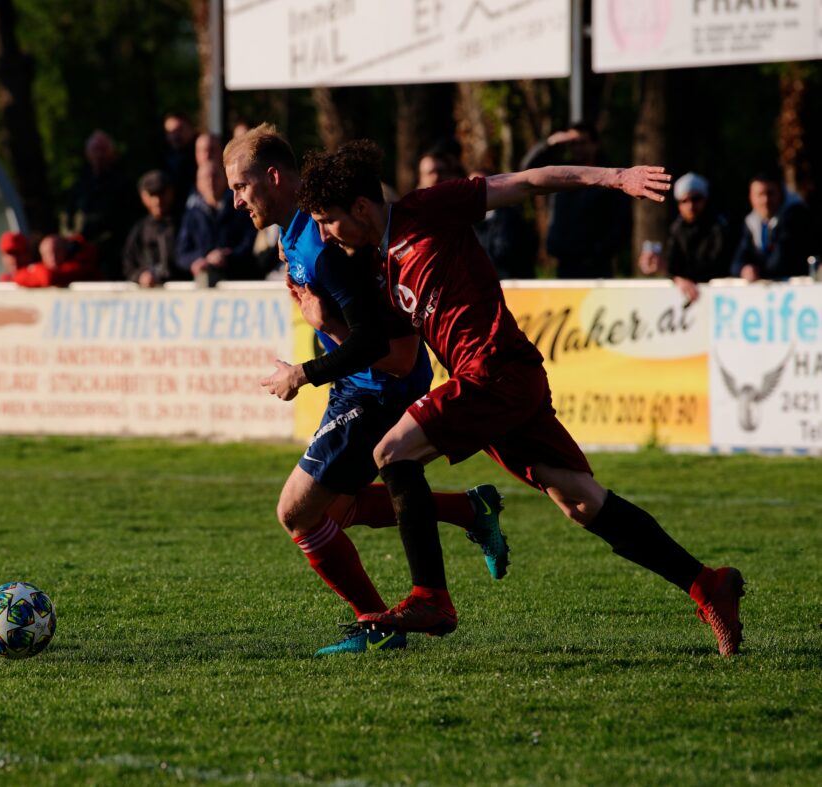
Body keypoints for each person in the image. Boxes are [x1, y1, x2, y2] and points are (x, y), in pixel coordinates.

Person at [280, 140, 744, 657]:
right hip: (493, 384)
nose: (322, 234)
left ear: (361, 208)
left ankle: (430, 597)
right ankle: (708, 585)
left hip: (495, 370)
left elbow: (526, 182)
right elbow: (389, 356)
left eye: (326, 221)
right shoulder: (377, 266)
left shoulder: (427, 209)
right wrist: (325, 323)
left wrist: (615, 177)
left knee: (392, 452)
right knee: (581, 501)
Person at [223, 124, 509, 655]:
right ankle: (470, 512)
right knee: (335, 512)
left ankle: (381, 625)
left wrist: (302, 371)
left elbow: (381, 342)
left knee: (297, 513)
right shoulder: (297, 234)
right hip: (356, 387)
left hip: (375, 389)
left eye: (241, 186)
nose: (235, 200)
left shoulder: (321, 242)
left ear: (274, 177)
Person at [521, 123, 631, 278]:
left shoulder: (609, 180)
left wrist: (598, 251)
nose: (577, 148)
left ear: (595, 145)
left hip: (597, 267)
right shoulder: (560, 177)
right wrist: (548, 144)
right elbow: (527, 172)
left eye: (582, 143)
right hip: (564, 264)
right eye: (572, 143)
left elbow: (621, 225)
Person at [638, 172, 733, 303]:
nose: (691, 206)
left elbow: (715, 267)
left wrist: (670, 270)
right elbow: (674, 262)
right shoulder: (677, 229)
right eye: (684, 201)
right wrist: (663, 270)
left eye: (696, 199)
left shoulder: (719, 227)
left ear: (705, 199)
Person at [62, 130, 142, 281]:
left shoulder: (123, 184)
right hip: (80, 254)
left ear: (112, 152)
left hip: (113, 255)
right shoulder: (80, 184)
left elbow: (129, 221)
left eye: (103, 150)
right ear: (87, 153)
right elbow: (67, 217)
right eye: (95, 150)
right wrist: (71, 239)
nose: (99, 155)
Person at [176, 159, 258, 284]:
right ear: (198, 184)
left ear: (226, 180)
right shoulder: (191, 215)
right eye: (205, 178)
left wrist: (227, 256)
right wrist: (202, 259)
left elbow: (251, 243)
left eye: (215, 176)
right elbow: (181, 254)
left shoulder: (241, 208)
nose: (211, 182)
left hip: (240, 282)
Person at [730, 168, 814, 281]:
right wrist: (744, 269)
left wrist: (758, 271)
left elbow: (781, 261)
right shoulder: (751, 222)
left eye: (771, 193)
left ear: (781, 194)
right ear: (751, 197)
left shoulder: (795, 216)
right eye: (760, 194)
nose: (766, 200)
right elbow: (738, 260)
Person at [470, 169, 537, 280]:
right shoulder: (467, 221)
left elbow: (504, 253)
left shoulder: (509, 216)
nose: (474, 191)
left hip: (512, 286)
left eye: (480, 185)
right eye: (470, 187)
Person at [123, 170, 179, 287]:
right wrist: (140, 275)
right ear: (143, 196)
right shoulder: (140, 229)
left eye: (162, 194)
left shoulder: (183, 225)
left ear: (171, 193)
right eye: (152, 195)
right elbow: (128, 264)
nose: (157, 201)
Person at [13, 234, 101, 288]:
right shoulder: (44, 268)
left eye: (57, 251)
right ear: (42, 256)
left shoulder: (79, 266)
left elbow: (48, 278)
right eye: (48, 253)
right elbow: (17, 277)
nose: (53, 257)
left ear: (65, 251)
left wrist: (35, 269)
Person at [163, 111, 197, 210]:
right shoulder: (163, 157)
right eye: (170, 132)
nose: (175, 135)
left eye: (180, 130)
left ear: (190, 128)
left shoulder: (202, 152)